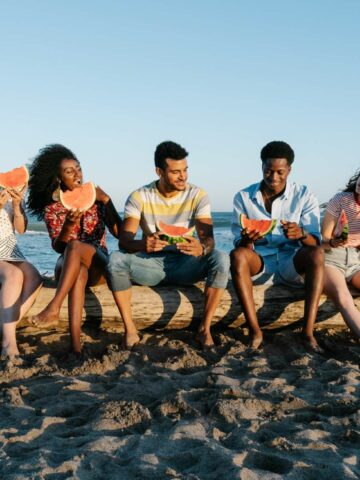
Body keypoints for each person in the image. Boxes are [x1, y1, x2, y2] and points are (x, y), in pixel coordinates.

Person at [106, 140, 230, 350]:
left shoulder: (197, 195)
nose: (183, 176)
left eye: (185, 170)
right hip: (150, 266)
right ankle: (130, 330)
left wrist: (202, 248)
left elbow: (208, 238)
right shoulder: (139, 196)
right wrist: (143, 244)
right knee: (115, 259)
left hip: (186, 265)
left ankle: (204, 328)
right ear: (159, 172)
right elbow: (124, 241)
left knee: (221, 258)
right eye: (175, 172)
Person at [27, 144, 122, 355]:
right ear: (59, 178)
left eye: (78, 168)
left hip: (98, 262)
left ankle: (54, 306)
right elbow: (57, 247)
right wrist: (68, 226)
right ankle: (76, 347)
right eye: (69, 171)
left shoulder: (97, 199)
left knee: (76, 246)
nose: (77, 174)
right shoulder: (53, 208)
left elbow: (120, 233)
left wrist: (107, 201)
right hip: (69, 264)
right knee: (78, 270)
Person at [231, 141, 324, 350]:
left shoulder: (304, 195)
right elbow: (239, 243)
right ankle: (255, 332)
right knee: (237, 255)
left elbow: (315, 240)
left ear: (289, 169)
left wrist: (301, 234)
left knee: (317, 253)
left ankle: (307, 333)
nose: (274, 177)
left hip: (291, 262)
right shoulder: (243, 197)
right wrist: (248, 239)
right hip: (260, 262)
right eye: (268, 171)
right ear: (262, 167)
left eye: (280, 172)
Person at [0, 183, 42, 360]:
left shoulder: (10, 190)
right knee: (14, 275)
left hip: (10, 250)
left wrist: (16, 206)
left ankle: (3, 328)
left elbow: (22, 229)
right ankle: (9, 341)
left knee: (35, 278)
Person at [321, 169, 360, 337]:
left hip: (356, 260)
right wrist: (333, 242)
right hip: (331, 257)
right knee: (344, 298)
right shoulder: (341, 200)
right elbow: (322, 241)